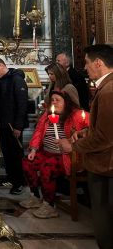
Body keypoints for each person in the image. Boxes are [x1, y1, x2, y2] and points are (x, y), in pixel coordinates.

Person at [60, 44, 113, 249]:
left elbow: (106, 137)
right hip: (105, 164)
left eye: (87, 63)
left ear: (98, 63)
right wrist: (86, 132)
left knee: (105, 224)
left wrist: (73, 146)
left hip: (105, 166)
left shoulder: (109, 91)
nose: (85, 68)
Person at [21, 89, 87, 219]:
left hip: (66, 156)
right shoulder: (47, 115)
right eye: (52, 100)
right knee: (27, 162)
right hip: (46, 152)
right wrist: (33, 149)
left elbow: (91, 128)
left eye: (58, 100)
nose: (54, 102)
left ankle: (49, 204)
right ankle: (35, 196)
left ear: (66, 102)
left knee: (47, 167)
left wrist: (81, 133)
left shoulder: (77, 115)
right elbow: (39, 132)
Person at [0, 57, 29, 195]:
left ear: (1, 65)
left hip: (13, 125)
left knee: (16, 154)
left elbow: (22, 104)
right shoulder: (0, 79)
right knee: (7, 154)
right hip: (3, 124)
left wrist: (18, 126)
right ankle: (11, 178)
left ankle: (19, 182)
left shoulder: (16, 79)